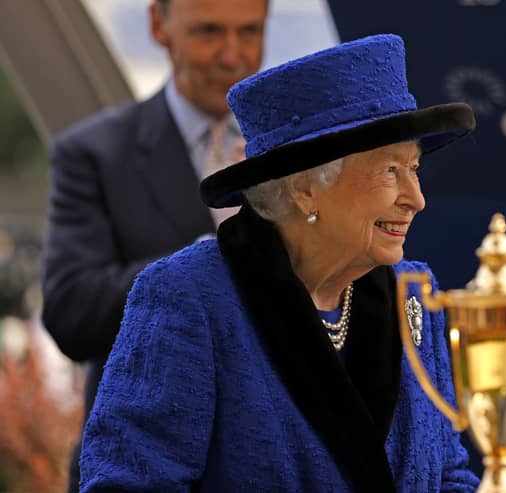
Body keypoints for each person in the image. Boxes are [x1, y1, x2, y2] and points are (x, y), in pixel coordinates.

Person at [79, 34, 479, 492]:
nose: (416, 199)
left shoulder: (416, 294)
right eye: (390, 170)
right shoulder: (190, 297)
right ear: (305, 187)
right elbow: (128, 485)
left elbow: (449, 474)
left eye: (415, 169)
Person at [41, 1, 268, 492]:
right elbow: (71, 314)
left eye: (249, 32)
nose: (233, 55)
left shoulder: (298, 154)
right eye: (209, 32)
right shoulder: (94, 155)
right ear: (157, 25)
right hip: (143, 467)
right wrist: (218, 253)